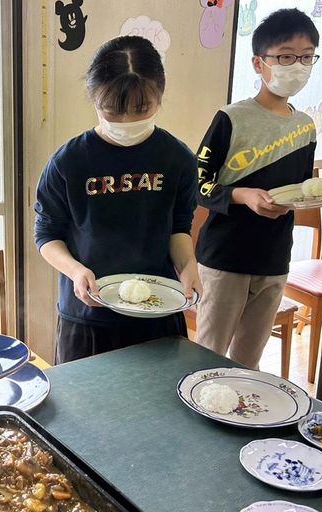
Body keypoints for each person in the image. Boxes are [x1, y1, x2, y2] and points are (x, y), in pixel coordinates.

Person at [34, 35, 200, 364]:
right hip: (88, 315)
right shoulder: (69, 162)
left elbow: (178, 228)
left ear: (160, 94)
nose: (126, 121)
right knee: (82, 411)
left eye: (142, 109)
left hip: (158, 312)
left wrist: (188, 265)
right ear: (94, 98)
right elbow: (47, 235)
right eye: (112, 110)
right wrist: (76, 271)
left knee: (156, 407)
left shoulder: (178, 159)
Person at [195, 8, 318, 369]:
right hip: (225, 259)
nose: (296, 66)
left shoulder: (306, 127)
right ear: (259, 63)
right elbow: (196, 185)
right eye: (284, 56)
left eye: (306, 57)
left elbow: (302, 188)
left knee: (249, 364)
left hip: (275, 258)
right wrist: (240, 194)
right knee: (208, 359)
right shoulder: (231, 118)